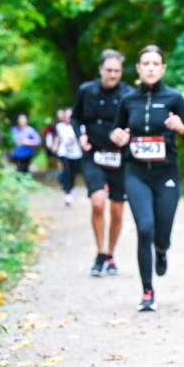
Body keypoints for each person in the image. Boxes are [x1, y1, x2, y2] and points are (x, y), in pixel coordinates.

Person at [109, 45, 184, 312]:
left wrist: (180, 127)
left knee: (162, 235)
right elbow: (116, 130)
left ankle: (162, 250)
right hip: (136, 174)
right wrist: (117, 137)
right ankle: (147, 291)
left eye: (155, 63)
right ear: (137, 69)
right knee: (144, 229)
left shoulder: (174, 98)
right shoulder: (128, 101)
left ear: (163, 68)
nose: (150, 67)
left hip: (167, 175)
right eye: (145, 63)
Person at [72, 50, 134, 276]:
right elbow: (75, 117)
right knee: (98, 202)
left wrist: (127, 133)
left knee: (117, 210)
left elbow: (135, 121)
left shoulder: (129, 94)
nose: (113, 74)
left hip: (119, 157)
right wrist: (80, 135)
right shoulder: (86, 90)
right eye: (109, 70)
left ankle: (110, 254)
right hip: (94, 155)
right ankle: (99, 253)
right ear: (100, 69)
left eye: (117, 71)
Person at [53, 108, 83, 206]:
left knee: (73, 173)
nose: (67, 118)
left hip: (76, 153)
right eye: (66, 116)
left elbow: (83, 138)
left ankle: (71, 188)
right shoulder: (59, 126)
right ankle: (68, 192)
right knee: (66, 171)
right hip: (64, 152)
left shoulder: (79, 126)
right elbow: (57, 137)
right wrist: (55, 145)